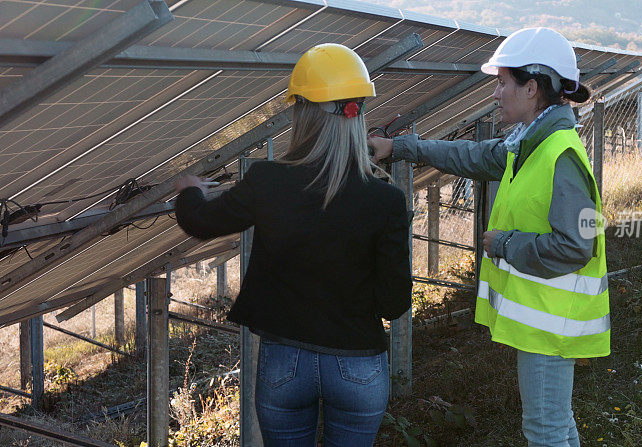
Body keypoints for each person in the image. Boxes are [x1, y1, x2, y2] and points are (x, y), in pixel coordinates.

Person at [369, 27, 609, 447]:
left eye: (502, 83)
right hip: (547, 317)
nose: (495, 94)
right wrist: (401, 148)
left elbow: (577, 245)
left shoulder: (560, 155)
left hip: (552, 323)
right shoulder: (530, 145)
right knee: (557, 424)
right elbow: (474, 156)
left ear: (531, 87)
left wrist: (503, 245)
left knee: (545, 429)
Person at [174, 43, 412, 446]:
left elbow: (200, 222)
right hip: (358, 368)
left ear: (301, 113)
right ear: (358, 114)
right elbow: (394, 304)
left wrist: (189, 190)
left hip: (284, 364)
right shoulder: (385, 199)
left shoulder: (268, 181)